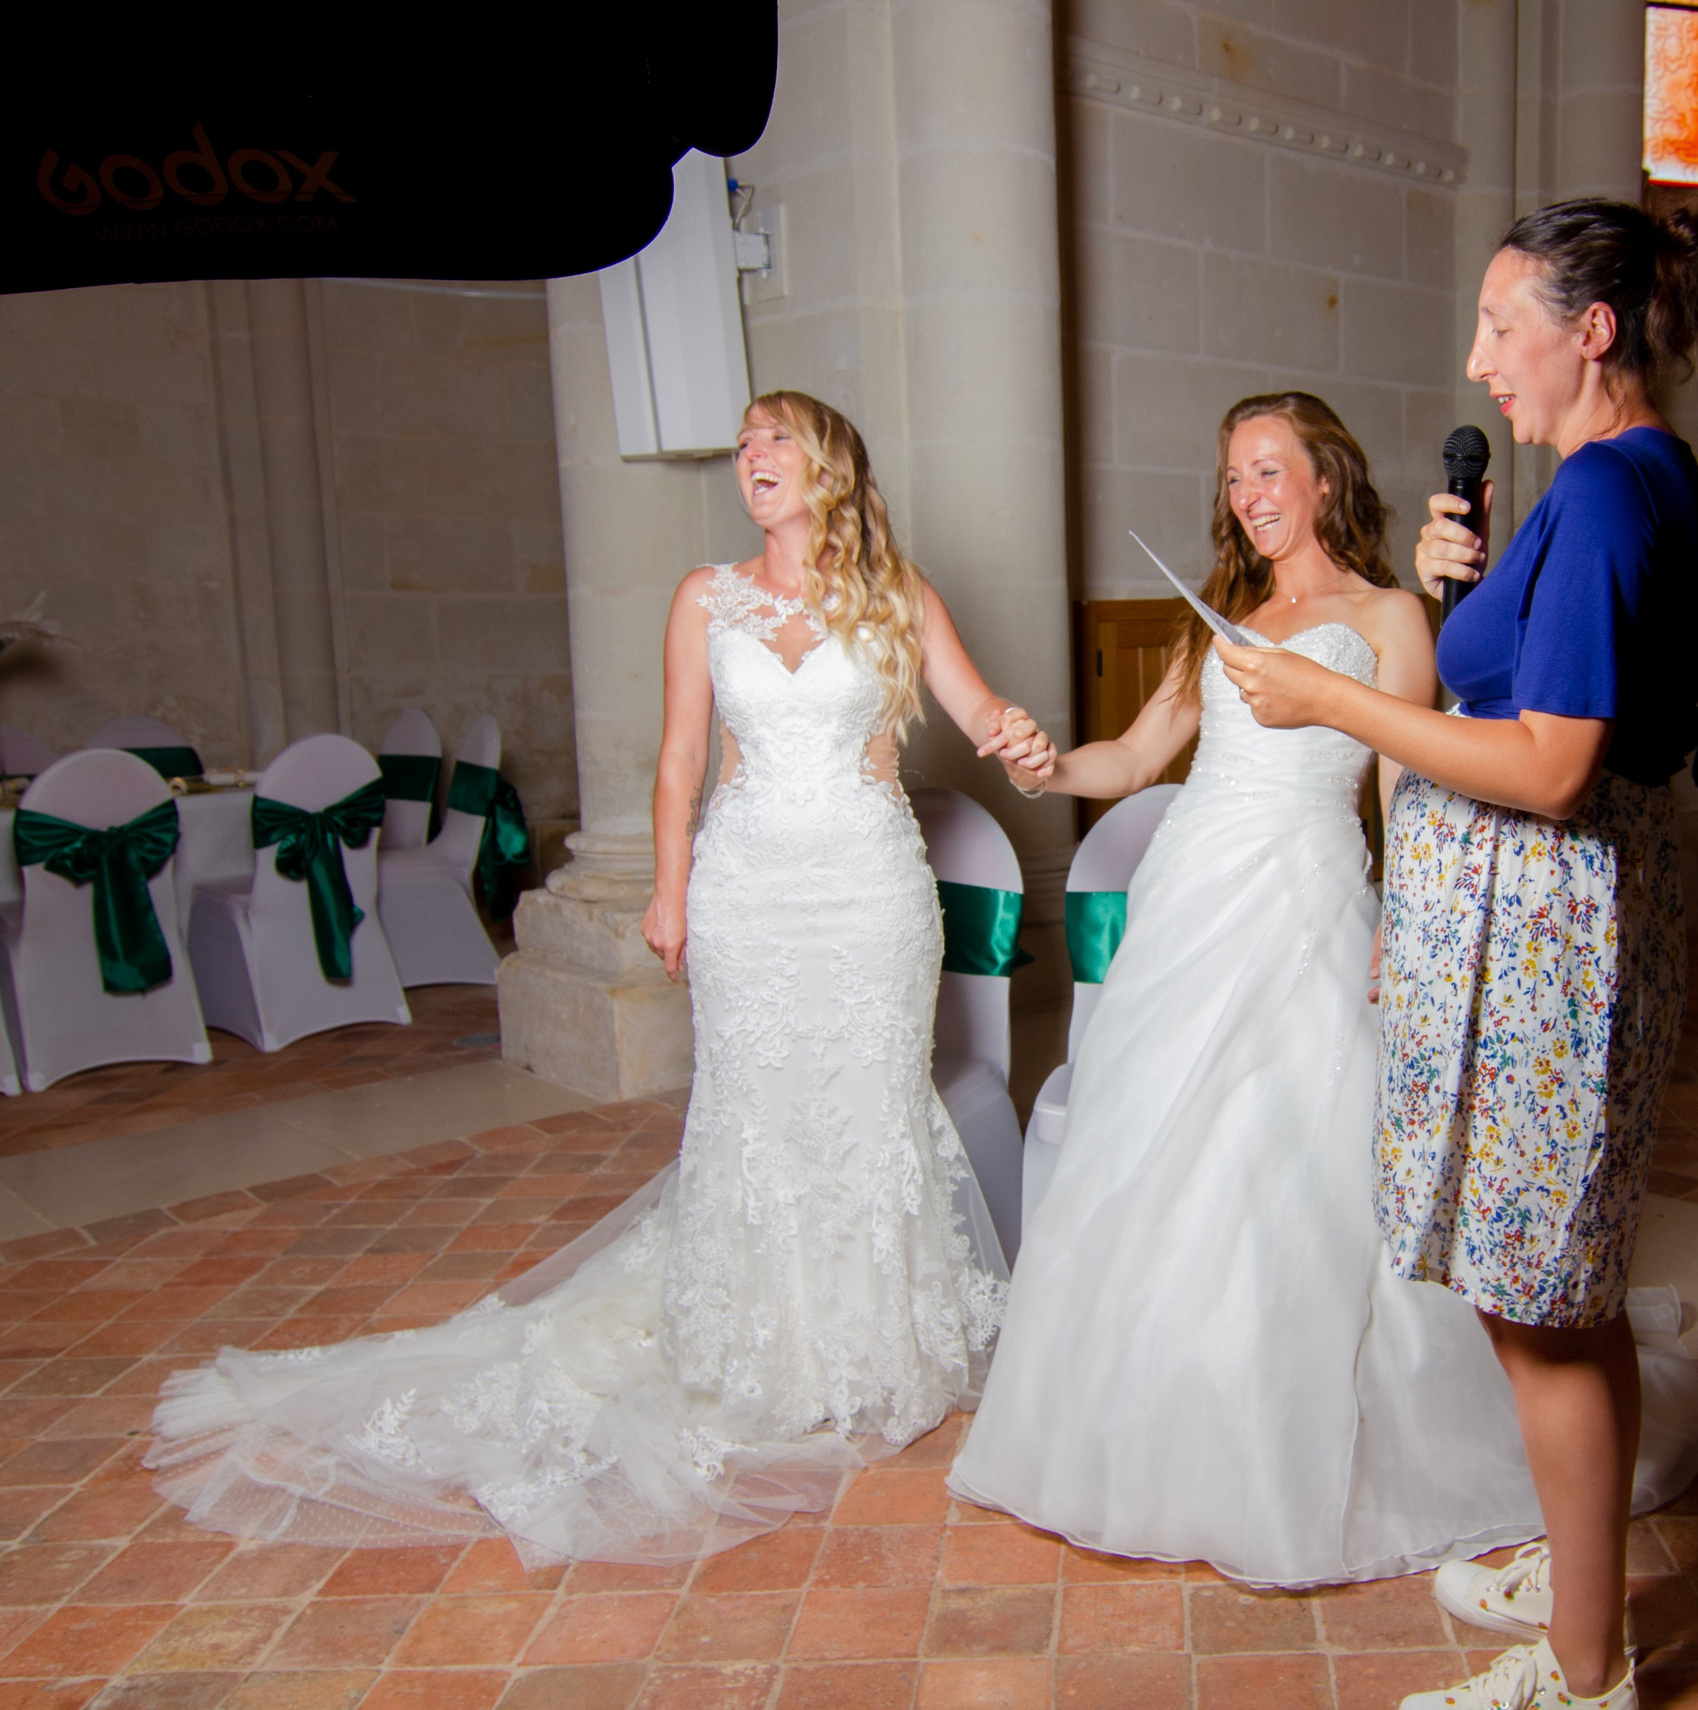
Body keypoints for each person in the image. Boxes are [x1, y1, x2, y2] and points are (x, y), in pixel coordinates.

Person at [145, 390, 1058, 1567]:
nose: (751, 459)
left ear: (829, 464)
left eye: (773, 439)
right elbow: (680, 762)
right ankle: (759, 1345)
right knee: (755, 1111)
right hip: (746, 891)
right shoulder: (702, 598)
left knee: (868, 1105)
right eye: (742, 445)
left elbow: (980, 710)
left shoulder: (899, 595)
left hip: (871, 895)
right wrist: (669, 890)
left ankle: (870, 1345)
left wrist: (1021, 741)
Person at [948, 393, 1698, 1587]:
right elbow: (1127, 760)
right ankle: (1155, 1426)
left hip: (1311, 896)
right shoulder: (1215, 625)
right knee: (1156, 1151)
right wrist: (1044, 762)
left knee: (1296, 1155)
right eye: (1233, 478)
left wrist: (1404, 924)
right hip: (1191, 907)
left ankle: (1316, 1440)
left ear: (1325, 479)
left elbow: (1401, 784)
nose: (1250, 495)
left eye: (1270, 470)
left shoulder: (1390, 616)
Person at [1219, 199, 1698, 1707]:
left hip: (1547, 932)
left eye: (1501, 321)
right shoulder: (1640, 487)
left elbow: (1554, 767)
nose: (1477, 357)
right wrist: (1473, 591)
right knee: (1558, 1285)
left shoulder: (1602, 496)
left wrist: (1330, 707)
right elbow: (1553, 685)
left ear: (1593, 329)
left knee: (1543, 1301)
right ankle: (1580, 1565)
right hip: (1555, 924)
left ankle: (1584, 1670)